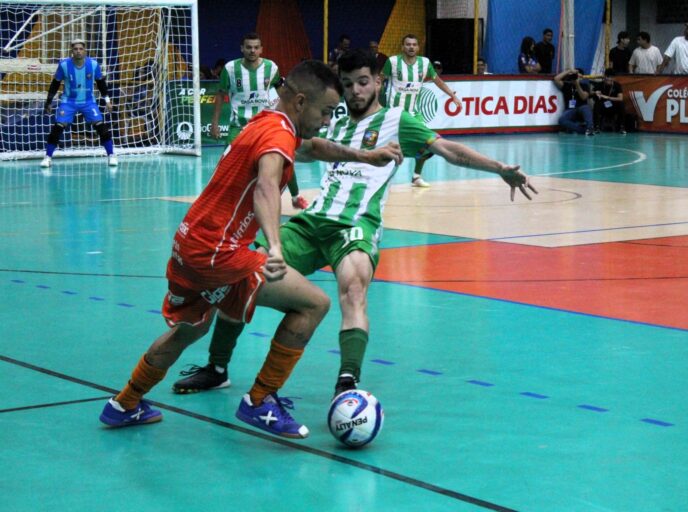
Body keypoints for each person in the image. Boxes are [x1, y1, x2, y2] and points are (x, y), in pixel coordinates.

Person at [171, 49, 537, 399]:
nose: (355, 91)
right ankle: (217, 368)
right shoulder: (333, 120)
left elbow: (447, 149)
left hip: (356, 225)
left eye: (362, 82)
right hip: (312, 222)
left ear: (378, 81)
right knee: (242, 280)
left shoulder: (398, 121)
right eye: (347, 84)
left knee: (353, 289)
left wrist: (499, 168)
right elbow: (302, 148)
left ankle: (347, 385)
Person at [98, 59, 404, 436]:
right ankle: (260, 400)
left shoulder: (266, 121)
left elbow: (313, 147)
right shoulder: (277, 138)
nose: (327, 120)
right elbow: (266, 186)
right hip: (219, 252)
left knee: (190, 329)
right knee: (314, 304)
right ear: (300, 102)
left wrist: (364, 156)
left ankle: (124, 403)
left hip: (189, 244)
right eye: (325, 111)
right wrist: (274, 245)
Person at [211, 33, 308, 209]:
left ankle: (296, 196)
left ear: (261, 49)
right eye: (248, 47)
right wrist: (215, 123)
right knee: (225, 164)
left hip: (266, 126)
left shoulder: (271, 67)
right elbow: (220, 95)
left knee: (285, 159)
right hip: (238, 126)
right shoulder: (230, 69)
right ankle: (220, 200)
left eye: (256, 47)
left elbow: (281, 91)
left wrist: (292, 116)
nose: (252, 51)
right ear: (242, 48)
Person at [380, 34, 461, 188]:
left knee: (426, 144)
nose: (411, 47)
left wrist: (452, 96)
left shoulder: (424, 63)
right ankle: (379, 177)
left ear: (418, 47)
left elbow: (437, 80)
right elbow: (380, 80)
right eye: (408, 44)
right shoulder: (392, 62)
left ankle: (416, 177)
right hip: (393, 113)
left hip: (413, 113)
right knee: (386, 145)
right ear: (402, 47)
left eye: (414, 44)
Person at [40, 39, 117, 168]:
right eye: (75, 49)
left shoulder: (93, 64)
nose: (78, 51)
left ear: (85, 50)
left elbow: (101, 83)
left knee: (101, 127)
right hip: (68, 102)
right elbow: (55, 84)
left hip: (88, 102)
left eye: (81, 49)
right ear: (72, 51)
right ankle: (47, 157)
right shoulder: (64, 65)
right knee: (57, 128)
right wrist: (48, 102)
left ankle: (111, 155)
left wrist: (108, 101)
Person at [554, 68, 594, 135]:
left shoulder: (585, 86)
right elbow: (556, 79)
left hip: (582, 107)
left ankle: (590, 128)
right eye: (575, 76)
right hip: (570, 109)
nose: (576, 78)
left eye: (578, 76)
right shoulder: (567, 85)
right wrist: (569, 71)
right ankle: (582, 130)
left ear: (581, 77)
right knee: (561, 120)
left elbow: (584, 97)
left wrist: (577, 84)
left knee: (586, 108)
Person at [593, 69, 626, 134]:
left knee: (621, 104)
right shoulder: (599, 85)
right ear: (604, 76)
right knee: (597, 104)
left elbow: (620, 98)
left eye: (612, 77)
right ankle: (596, 127)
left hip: (613, 106)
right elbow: (593, 93)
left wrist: (608, 97)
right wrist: (596, 93)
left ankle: (622, 127)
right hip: (602, 106)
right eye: (608, 77)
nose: (609, 79)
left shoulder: (617, 85)